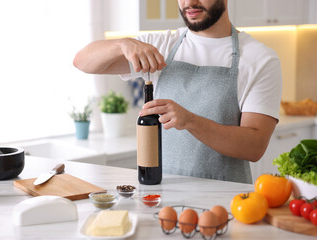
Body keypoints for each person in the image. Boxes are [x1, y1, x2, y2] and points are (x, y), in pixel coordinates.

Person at [73, 0, 282, 184]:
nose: (189, 2)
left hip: (225, 204)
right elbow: (82, 62)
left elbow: (254, 147)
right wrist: (123, 44)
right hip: (162, 198)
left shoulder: (260, 59)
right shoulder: (161, 45)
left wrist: (190, 121)